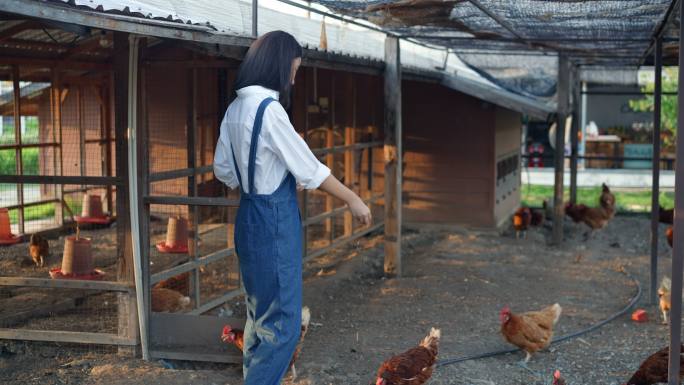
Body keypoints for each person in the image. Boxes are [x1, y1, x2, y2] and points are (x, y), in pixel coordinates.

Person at [213, 31, 371, 385]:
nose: (293, 79)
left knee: (259, 314)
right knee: (282, 325)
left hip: (248, 216)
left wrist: (262, 175)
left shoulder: (235, 109)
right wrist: (352, 198)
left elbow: (223, 170)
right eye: (293, 70)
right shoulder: (270, 111)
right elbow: (310, 168)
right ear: (277, 67)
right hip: (273, 221)